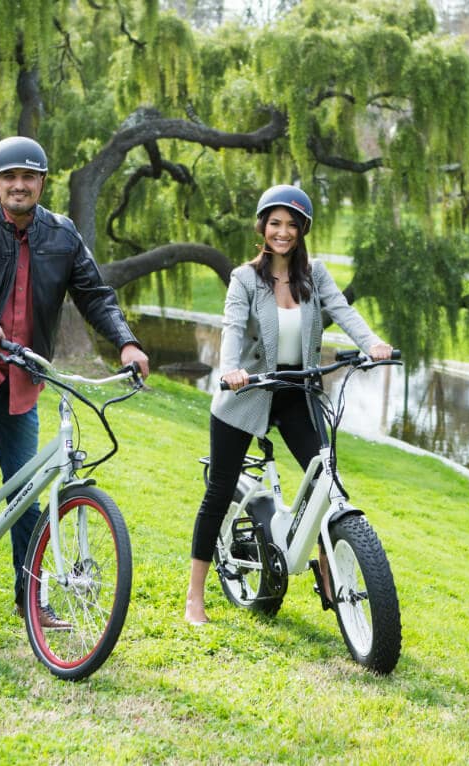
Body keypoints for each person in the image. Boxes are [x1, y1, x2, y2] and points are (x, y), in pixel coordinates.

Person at [0, 136, 149, 628]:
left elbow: (96, 295)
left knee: (27, 488)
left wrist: (127, 342)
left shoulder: (62, 235)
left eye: (29, 176)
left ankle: (29, 597)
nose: (19, 185)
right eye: (9, 177)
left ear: (42, 182)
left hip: (22, 372)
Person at [184, 184, 393, 625]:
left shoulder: (314, 275)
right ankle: (194, 597)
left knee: (328, 482)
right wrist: (230, 369)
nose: (283, 232)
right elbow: (233, 328)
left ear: (302, 231)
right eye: (275, 223)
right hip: (248, 392)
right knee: (219, 492)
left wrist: (372, 343)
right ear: (263, 227)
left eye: (291, 225)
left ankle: (327, 564)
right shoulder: (246, 277)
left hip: (298, 391)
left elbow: (343, 310)